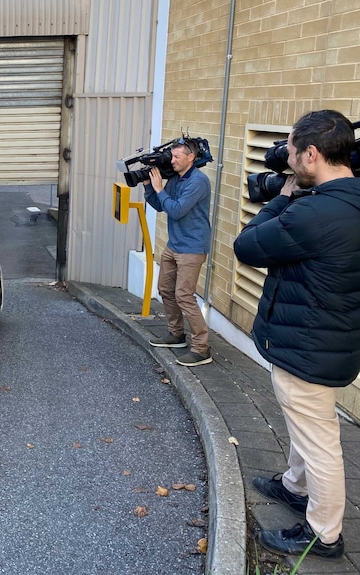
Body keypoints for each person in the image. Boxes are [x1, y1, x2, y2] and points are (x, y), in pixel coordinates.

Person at [233, 109, 360, 560]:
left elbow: (247, 245)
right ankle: (293, 486)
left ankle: (324, 535)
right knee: (308, 427)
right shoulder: (352, 198)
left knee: (319, 440)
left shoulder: (313, 212)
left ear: (310, 154)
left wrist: (282, 195)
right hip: (331, 339)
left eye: (290, 150)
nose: (284, 157)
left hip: (307, 344)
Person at [142, 138, 213, 367]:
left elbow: (177, 210)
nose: (171, 161)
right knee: (165, 289)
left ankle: (201, 348)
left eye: (176, 157)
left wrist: (160, 189)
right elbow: (162, 205)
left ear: (190, 157)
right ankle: (176, 334)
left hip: (192, 247)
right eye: (171, 156)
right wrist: (147, 186)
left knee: (184, 295)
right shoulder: (176, 178)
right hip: (174, 245)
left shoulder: (198, 181)